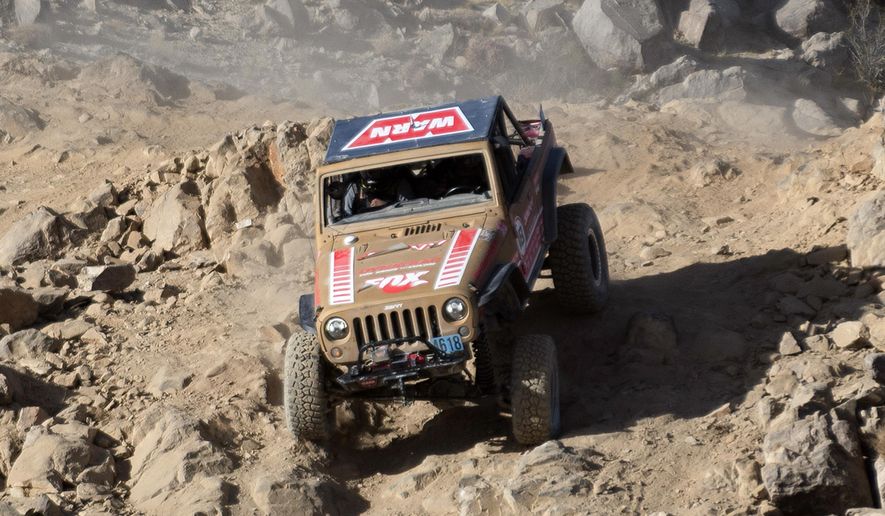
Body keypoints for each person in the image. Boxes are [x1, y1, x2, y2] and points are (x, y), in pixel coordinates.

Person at [343, 166, 414, 217]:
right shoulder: (355, 186)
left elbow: (409, 210)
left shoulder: (398, 183)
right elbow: (346, 215)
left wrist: (385, 205)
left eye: (374, 169)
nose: (370, 172)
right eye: (366, 169)